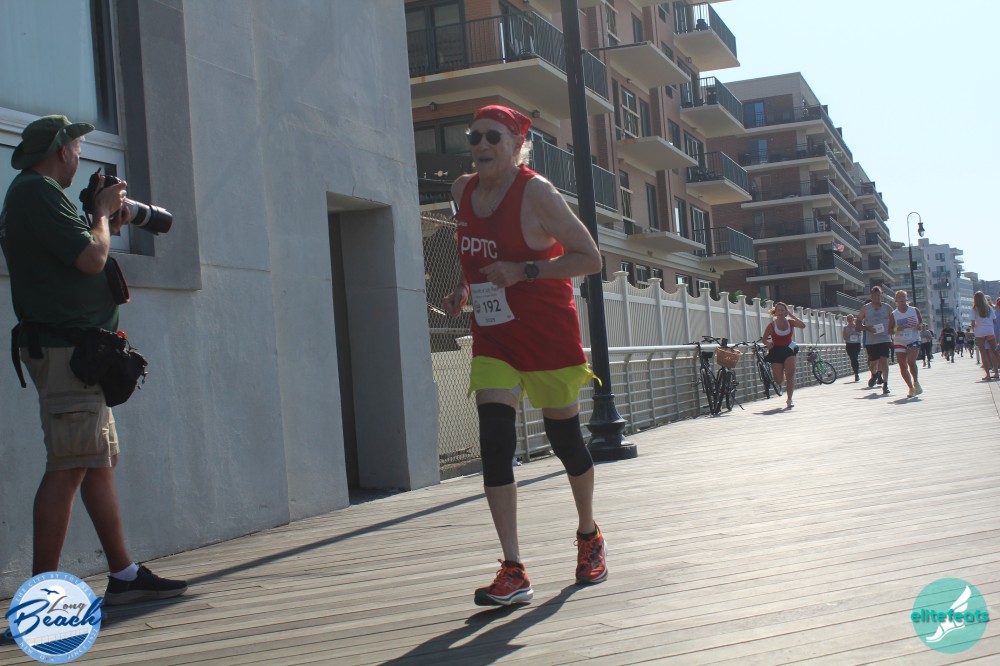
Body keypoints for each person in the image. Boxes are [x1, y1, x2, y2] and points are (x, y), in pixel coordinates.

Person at [0, 115, 187, 604]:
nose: (80, 158)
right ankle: (40, 597)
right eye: (78, 149)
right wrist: (102, 214)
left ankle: (124, 574)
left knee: (96, 460)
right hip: (66, 354)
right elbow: (91, 258)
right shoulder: (35, 192)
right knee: (68, 466)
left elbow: (76, 255)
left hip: (79, 354)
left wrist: (100, 221)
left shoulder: (37, 195)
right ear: (63, 150)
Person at [441, 105, 606, 606]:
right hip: (495, 335)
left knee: (565, 440)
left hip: (546, 332)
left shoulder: (538, 194)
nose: (481, 145)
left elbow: (590, 258)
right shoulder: (461, 191)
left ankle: (588, 534)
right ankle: (513, 569)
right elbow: (474, 252)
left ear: (517, 145)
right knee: (494, 439)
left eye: (493, 137)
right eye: (474, 137)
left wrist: (525, 271)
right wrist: (463, 290)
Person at [759, 301, 805, 409]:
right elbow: (764, 338)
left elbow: (803, 325)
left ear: (785, 312)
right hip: (776, 351)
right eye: (778, 310)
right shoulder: (771, 325)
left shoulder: (790, 322)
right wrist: (768, 344)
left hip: (789, 349)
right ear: (775, 312)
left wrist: (791, 315)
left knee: (791, 373)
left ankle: (789, 400)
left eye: (782, 310)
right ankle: (782, 374)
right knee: (779, 380)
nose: (780, 311)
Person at [857, 286, 893, 395]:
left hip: (884, 338)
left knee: (884, 361)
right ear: (871, 296)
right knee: (873, 363)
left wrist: (893, 330)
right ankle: (875, 374)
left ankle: (885, 384)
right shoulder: (866, 308)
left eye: (879, 295)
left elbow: (894, 319)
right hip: (871, 340)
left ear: (881, 296)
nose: (877, 297)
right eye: (875, 295)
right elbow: (858, 322)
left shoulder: (887, 307)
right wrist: (866, 328)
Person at [888, 290, 922, 397]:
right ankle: (911, 388)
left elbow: (921, 322)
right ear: (896, 300)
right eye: (899, 297)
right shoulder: (894, 314)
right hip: (899, 341)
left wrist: (920, 326)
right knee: (903, 366)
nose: (901, 299)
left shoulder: (914, 310)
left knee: (911, 361)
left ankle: (916, 382)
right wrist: (898, 329)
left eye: (903, 297)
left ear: (906, 298)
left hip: (913, 339)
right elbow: (890, 330)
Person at [970, 291, 999, 381]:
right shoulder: (989, 308)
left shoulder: (974, 309)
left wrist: (975, 328)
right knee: (995, 351)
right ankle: (996, 372)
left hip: (980, 332)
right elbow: (994, 321)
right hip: (990, 331)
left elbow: (973, 323)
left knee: (983, 353)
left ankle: (988, 375)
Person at [842, 314, 862, 381]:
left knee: (855, 358)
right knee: (852, 359)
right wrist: (849, 334)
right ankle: (855, 373)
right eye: (849, 318)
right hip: (849, 345)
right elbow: (844, 337)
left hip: (856, 344)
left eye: (851, 318)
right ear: (847, 320)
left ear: (853, 319)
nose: (850, 320)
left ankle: (856, 373)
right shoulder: (845, 327)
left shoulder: (857, 326)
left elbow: (860, 334)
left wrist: (856, 331)